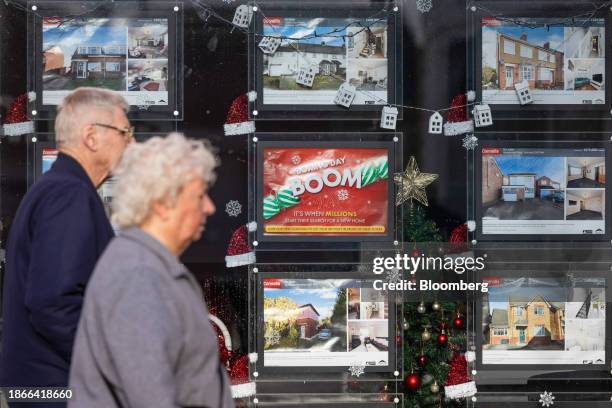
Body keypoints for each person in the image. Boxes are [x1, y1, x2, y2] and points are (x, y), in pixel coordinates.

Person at [69, 133, 233, 408]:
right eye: (200, 195)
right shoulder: (138, 275)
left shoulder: (146, 264)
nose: (210, 207)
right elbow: (150, 396)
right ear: (162, 204)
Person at [0, 88, 131, 396]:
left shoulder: (58, 188)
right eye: (125, 131)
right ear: (91, 136)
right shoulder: (68, 194)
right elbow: (53, 303)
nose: (131, 142)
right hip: (59, 387)